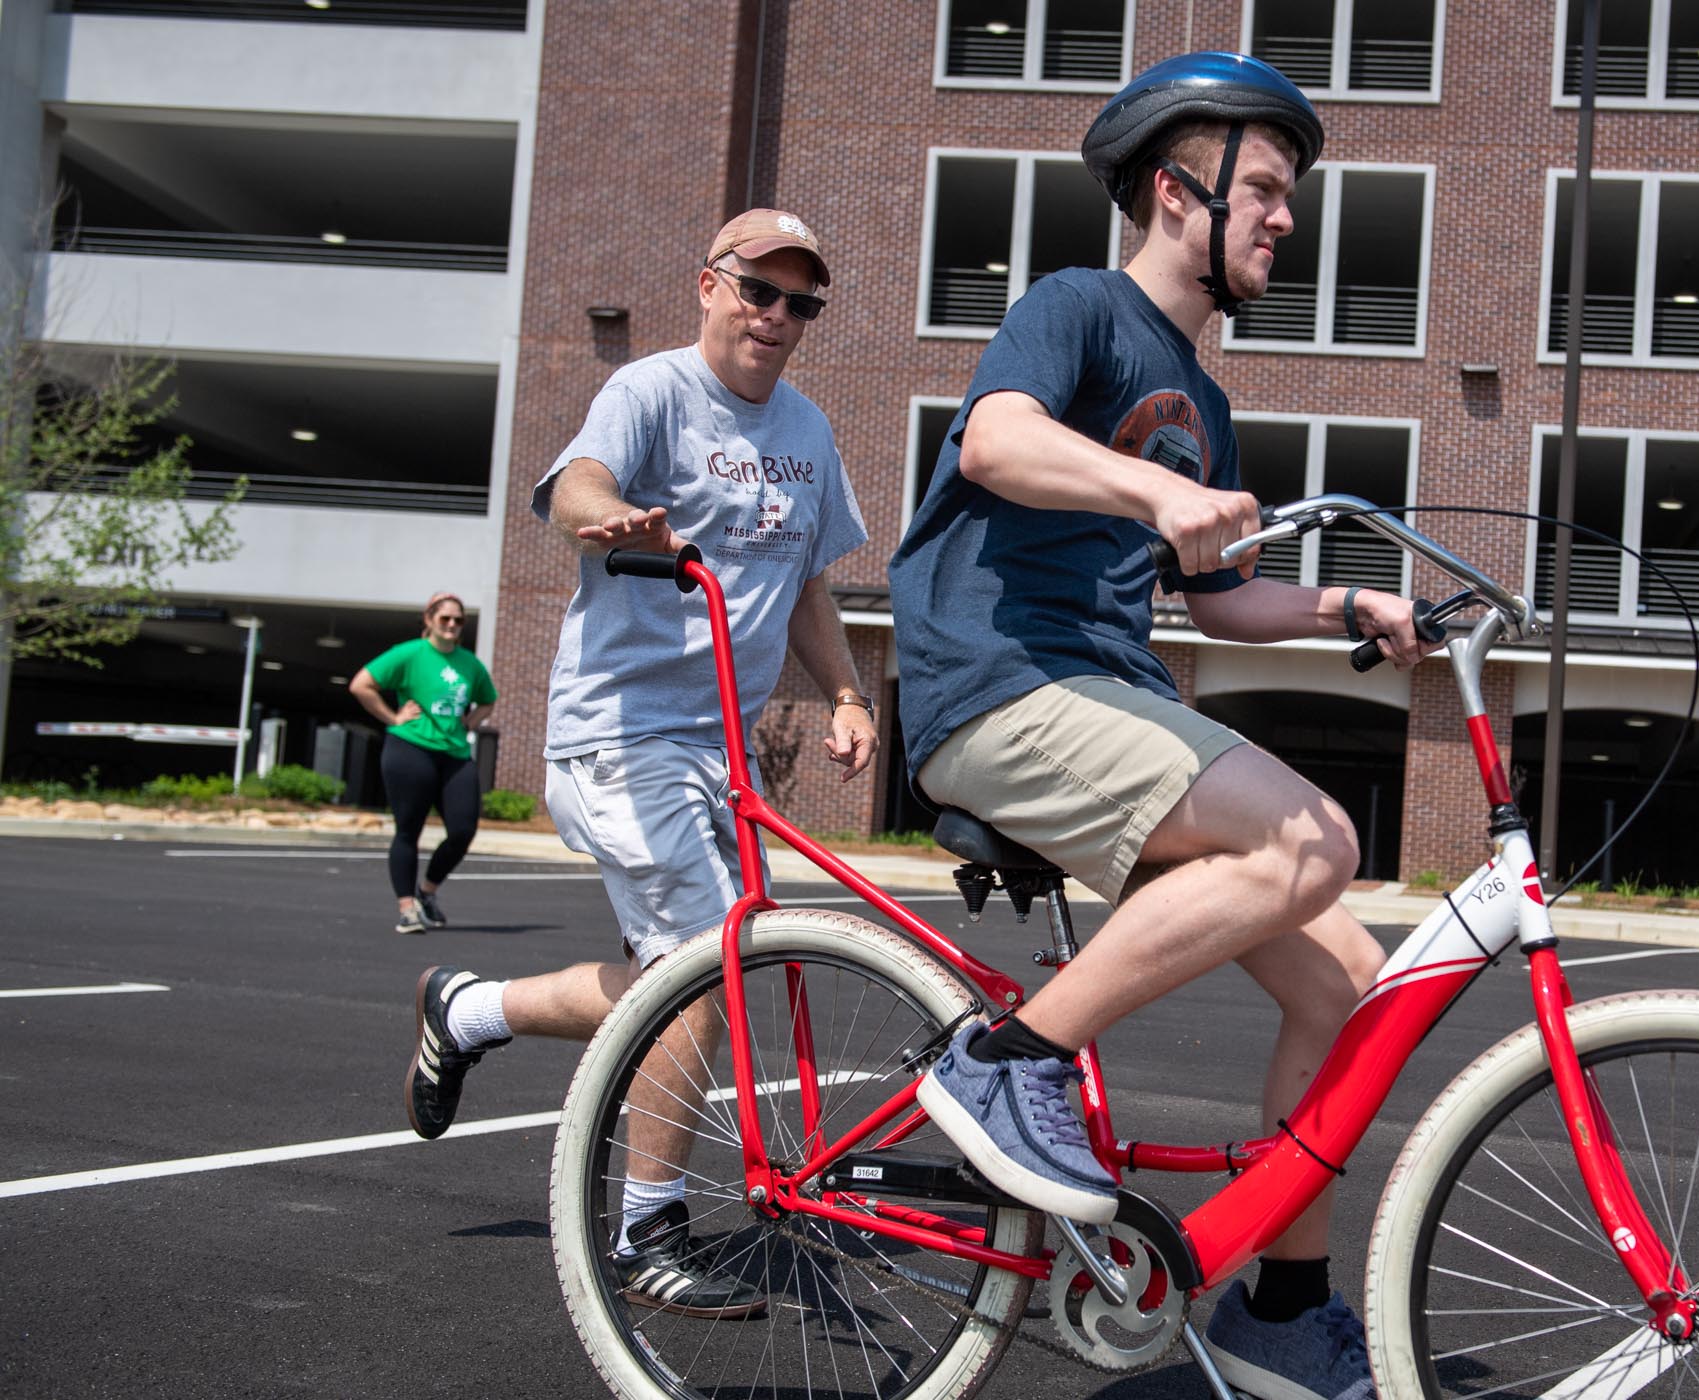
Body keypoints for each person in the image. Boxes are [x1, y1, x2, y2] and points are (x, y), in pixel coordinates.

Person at [886, 52, 1435, 1400]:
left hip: (1110, 697)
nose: (1285, 219)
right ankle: (1009, 1063)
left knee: (1351, 984)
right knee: (1313, 836)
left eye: (1288, 197)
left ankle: (1284, 1308)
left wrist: (1353, 603)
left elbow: (1225, 600)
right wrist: (1145, 491)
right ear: (1175, 192)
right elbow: (997, 442)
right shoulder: (1078, 307)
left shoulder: (1208, 395)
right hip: (1001, 684)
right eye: (1262, 189)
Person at [401, 207, 877, 1320]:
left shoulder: (807, 430)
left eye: (800, 302)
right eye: (758, 290)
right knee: (705, 966)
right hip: (619, 731)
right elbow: (575, 487)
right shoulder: (651, 391)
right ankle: (647, 1229)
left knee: (677, 978)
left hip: (721, 750)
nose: (776, 317)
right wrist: (610, 513)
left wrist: (848, 692)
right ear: (706, 285)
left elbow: (808, 585)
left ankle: (468, 1008)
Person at [349, 592, 496, 935]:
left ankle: (426, 892)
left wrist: (470, 723)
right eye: (444, 618)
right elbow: (362, 685)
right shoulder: (410, 654)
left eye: (458, 620)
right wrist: (393, 717)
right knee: (408, 831)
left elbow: (488, 700)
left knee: (462, 830)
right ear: (429, 620)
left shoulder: (469, 664)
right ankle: (407, 909)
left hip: (455, 754)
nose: (451, 625)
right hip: (410, 749)